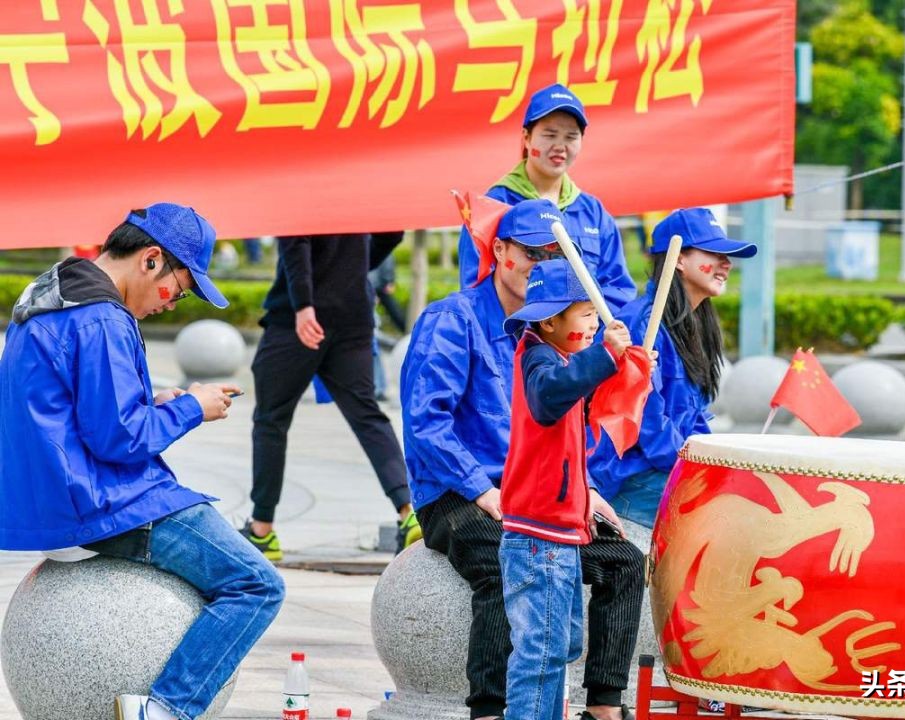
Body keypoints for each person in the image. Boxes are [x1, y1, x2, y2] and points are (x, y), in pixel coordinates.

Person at [0, 203, 285, 720]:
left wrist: (154, 399)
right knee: (257, 584)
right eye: (177, 288)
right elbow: (123, 442)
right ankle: (165, 709)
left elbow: (72, 406)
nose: (171, 304)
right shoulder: (104, 318)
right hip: (102, 503)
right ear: (151, 259)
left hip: (47, 502)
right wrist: (192, 409)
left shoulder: (52, 295)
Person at [402, 199, 643, 720]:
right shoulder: (452, 319)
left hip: (537, 497)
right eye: (533, 251)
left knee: (624, 561)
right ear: (500, 251)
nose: (545, 261)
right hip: (457, 492)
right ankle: (489, 711)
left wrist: (587, 491)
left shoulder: (567, 333)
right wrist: (484, 491)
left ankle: (603, 706)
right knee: (498, 562)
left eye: (559, 253)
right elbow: (427, 426)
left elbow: (572, 430)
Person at [499, 259, 632, 720]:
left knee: (560, 644)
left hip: (559, 531)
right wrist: (607, 356)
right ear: (550, 320)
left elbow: (580, 391)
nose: (595, 323)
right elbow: (549, 397)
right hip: (539, 534)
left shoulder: (559, 358)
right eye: (585, 314)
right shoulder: (538, 358)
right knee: (541, 653)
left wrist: (626, 366)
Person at [244, 232, 415, 560]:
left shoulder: (301, 184)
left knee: (270, 420)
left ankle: (262, 530)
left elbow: (296, 242)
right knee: (367, 414)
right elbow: (392, 231)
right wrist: (351, 269)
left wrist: (304, 303)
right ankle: (409, 512)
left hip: (298, 320)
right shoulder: (356, 186)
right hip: (353, 312)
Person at [589, 208, 757, 526]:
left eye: (728, 256)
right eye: (714, 253)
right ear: (678, 259)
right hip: (627, 475)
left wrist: (714, 460)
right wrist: (697, 467)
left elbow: (693, 418)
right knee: (732, 517)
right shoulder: (642, 325)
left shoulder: (695, 325)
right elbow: (648, 427)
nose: (727, 264)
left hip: (666, 466)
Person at [457, 83, 636, 312]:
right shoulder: (492, 207)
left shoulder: (593, 212)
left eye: (571, 137)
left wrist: (586, 335)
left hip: (585, 342)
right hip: (514, 343)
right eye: (550, 135)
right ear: (527, 137)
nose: (560, 147)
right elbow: (475, 291)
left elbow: (617, 289)